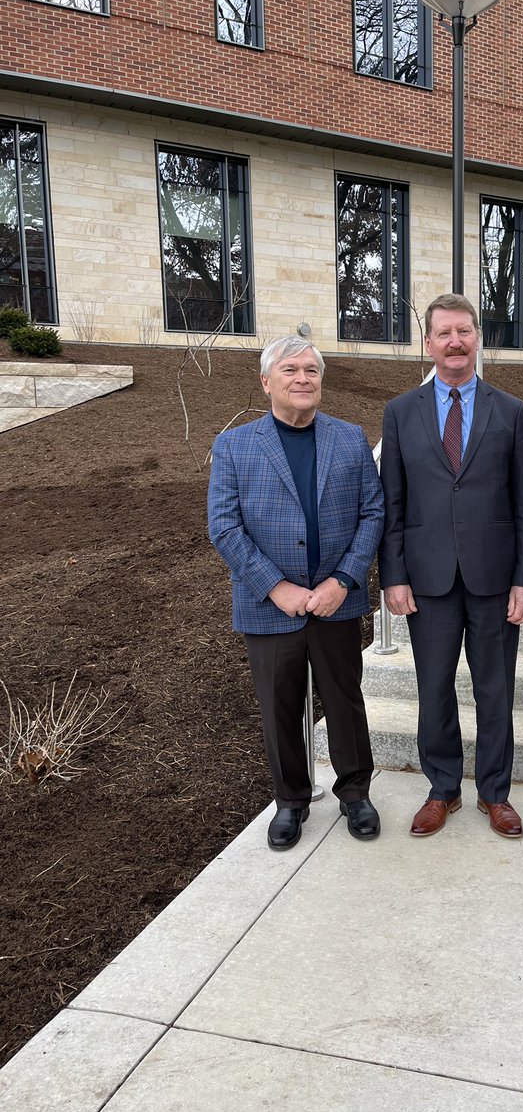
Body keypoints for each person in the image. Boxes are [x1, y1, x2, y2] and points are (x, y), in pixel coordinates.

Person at [208, 335, 384, 850]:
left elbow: (373, 513)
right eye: (290, 370)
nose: (303, 378)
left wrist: (344, 579)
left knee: (346, 703)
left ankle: (356, 793)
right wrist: (275, 586)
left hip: (336, 603)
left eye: (311, 370)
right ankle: (290, 801)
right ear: (267, 382)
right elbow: (224, 527)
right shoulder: (235, 446)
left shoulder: (350, 439)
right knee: (280, 707)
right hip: (269, 608)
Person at [379, 293, 523, 838]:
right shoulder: (401, 412)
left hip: (495, 579)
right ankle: (442, 788)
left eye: (464, 332)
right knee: (435, 688)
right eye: (444, 333)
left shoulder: (511, 410)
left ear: (478, 339)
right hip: (428, 580)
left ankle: (495, 793)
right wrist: (393, 575)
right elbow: (392, 502)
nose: (455, 341)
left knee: (496, 689)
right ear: (428, 343)